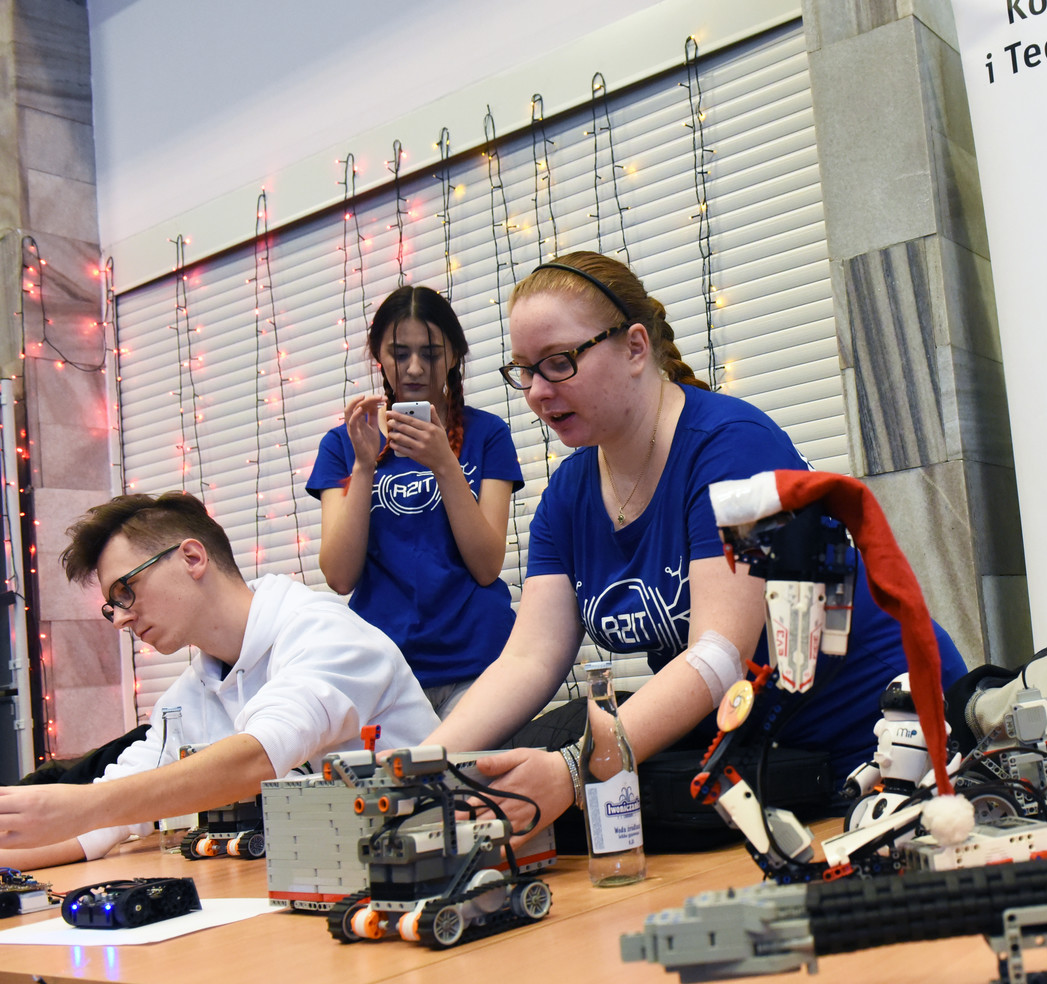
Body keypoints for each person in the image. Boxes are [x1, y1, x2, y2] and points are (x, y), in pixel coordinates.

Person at [426, 250, 966, 838]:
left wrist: (574, 771)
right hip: (761, 764)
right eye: (524, 370)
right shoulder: (566, 496)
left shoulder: (734, 447)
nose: (536, 392)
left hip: (880, 744)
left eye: (558, 363)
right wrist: (417, 768)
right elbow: (528, 661)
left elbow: (719, 653)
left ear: (635, 348)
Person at [0, 492, 440, 870]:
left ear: (192, 557)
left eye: (125, 591)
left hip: (422, 863)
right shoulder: (189, 695)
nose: (120, 619)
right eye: (112, 606)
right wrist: (75, 814)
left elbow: (259, 756)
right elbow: (97, 824)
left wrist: (85, 806)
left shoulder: (325, 632)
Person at [308, 285, 523, 717]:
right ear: (379, 356)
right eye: (399, 353)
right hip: (387, 674)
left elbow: (486, 566)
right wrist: (364, 466)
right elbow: (340, 577)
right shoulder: (343, 443)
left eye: (431, 353)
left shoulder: (488, 434)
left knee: (470, 764)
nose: (414, 368)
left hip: (481, 663)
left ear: (455, 355)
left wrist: (444, 463)